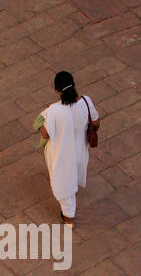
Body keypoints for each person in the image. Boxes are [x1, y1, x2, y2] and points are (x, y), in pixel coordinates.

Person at [35, 70, 100, 226]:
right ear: (74, 85)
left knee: (63, 185)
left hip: (61, 154)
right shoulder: (86, 101)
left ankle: (69, 218)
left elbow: (45, 134)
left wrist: (45, 121)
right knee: (73, 176)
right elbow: (96, 123)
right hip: (80, 151)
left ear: (57, 90)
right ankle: (69, 208)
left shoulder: (54, 110)